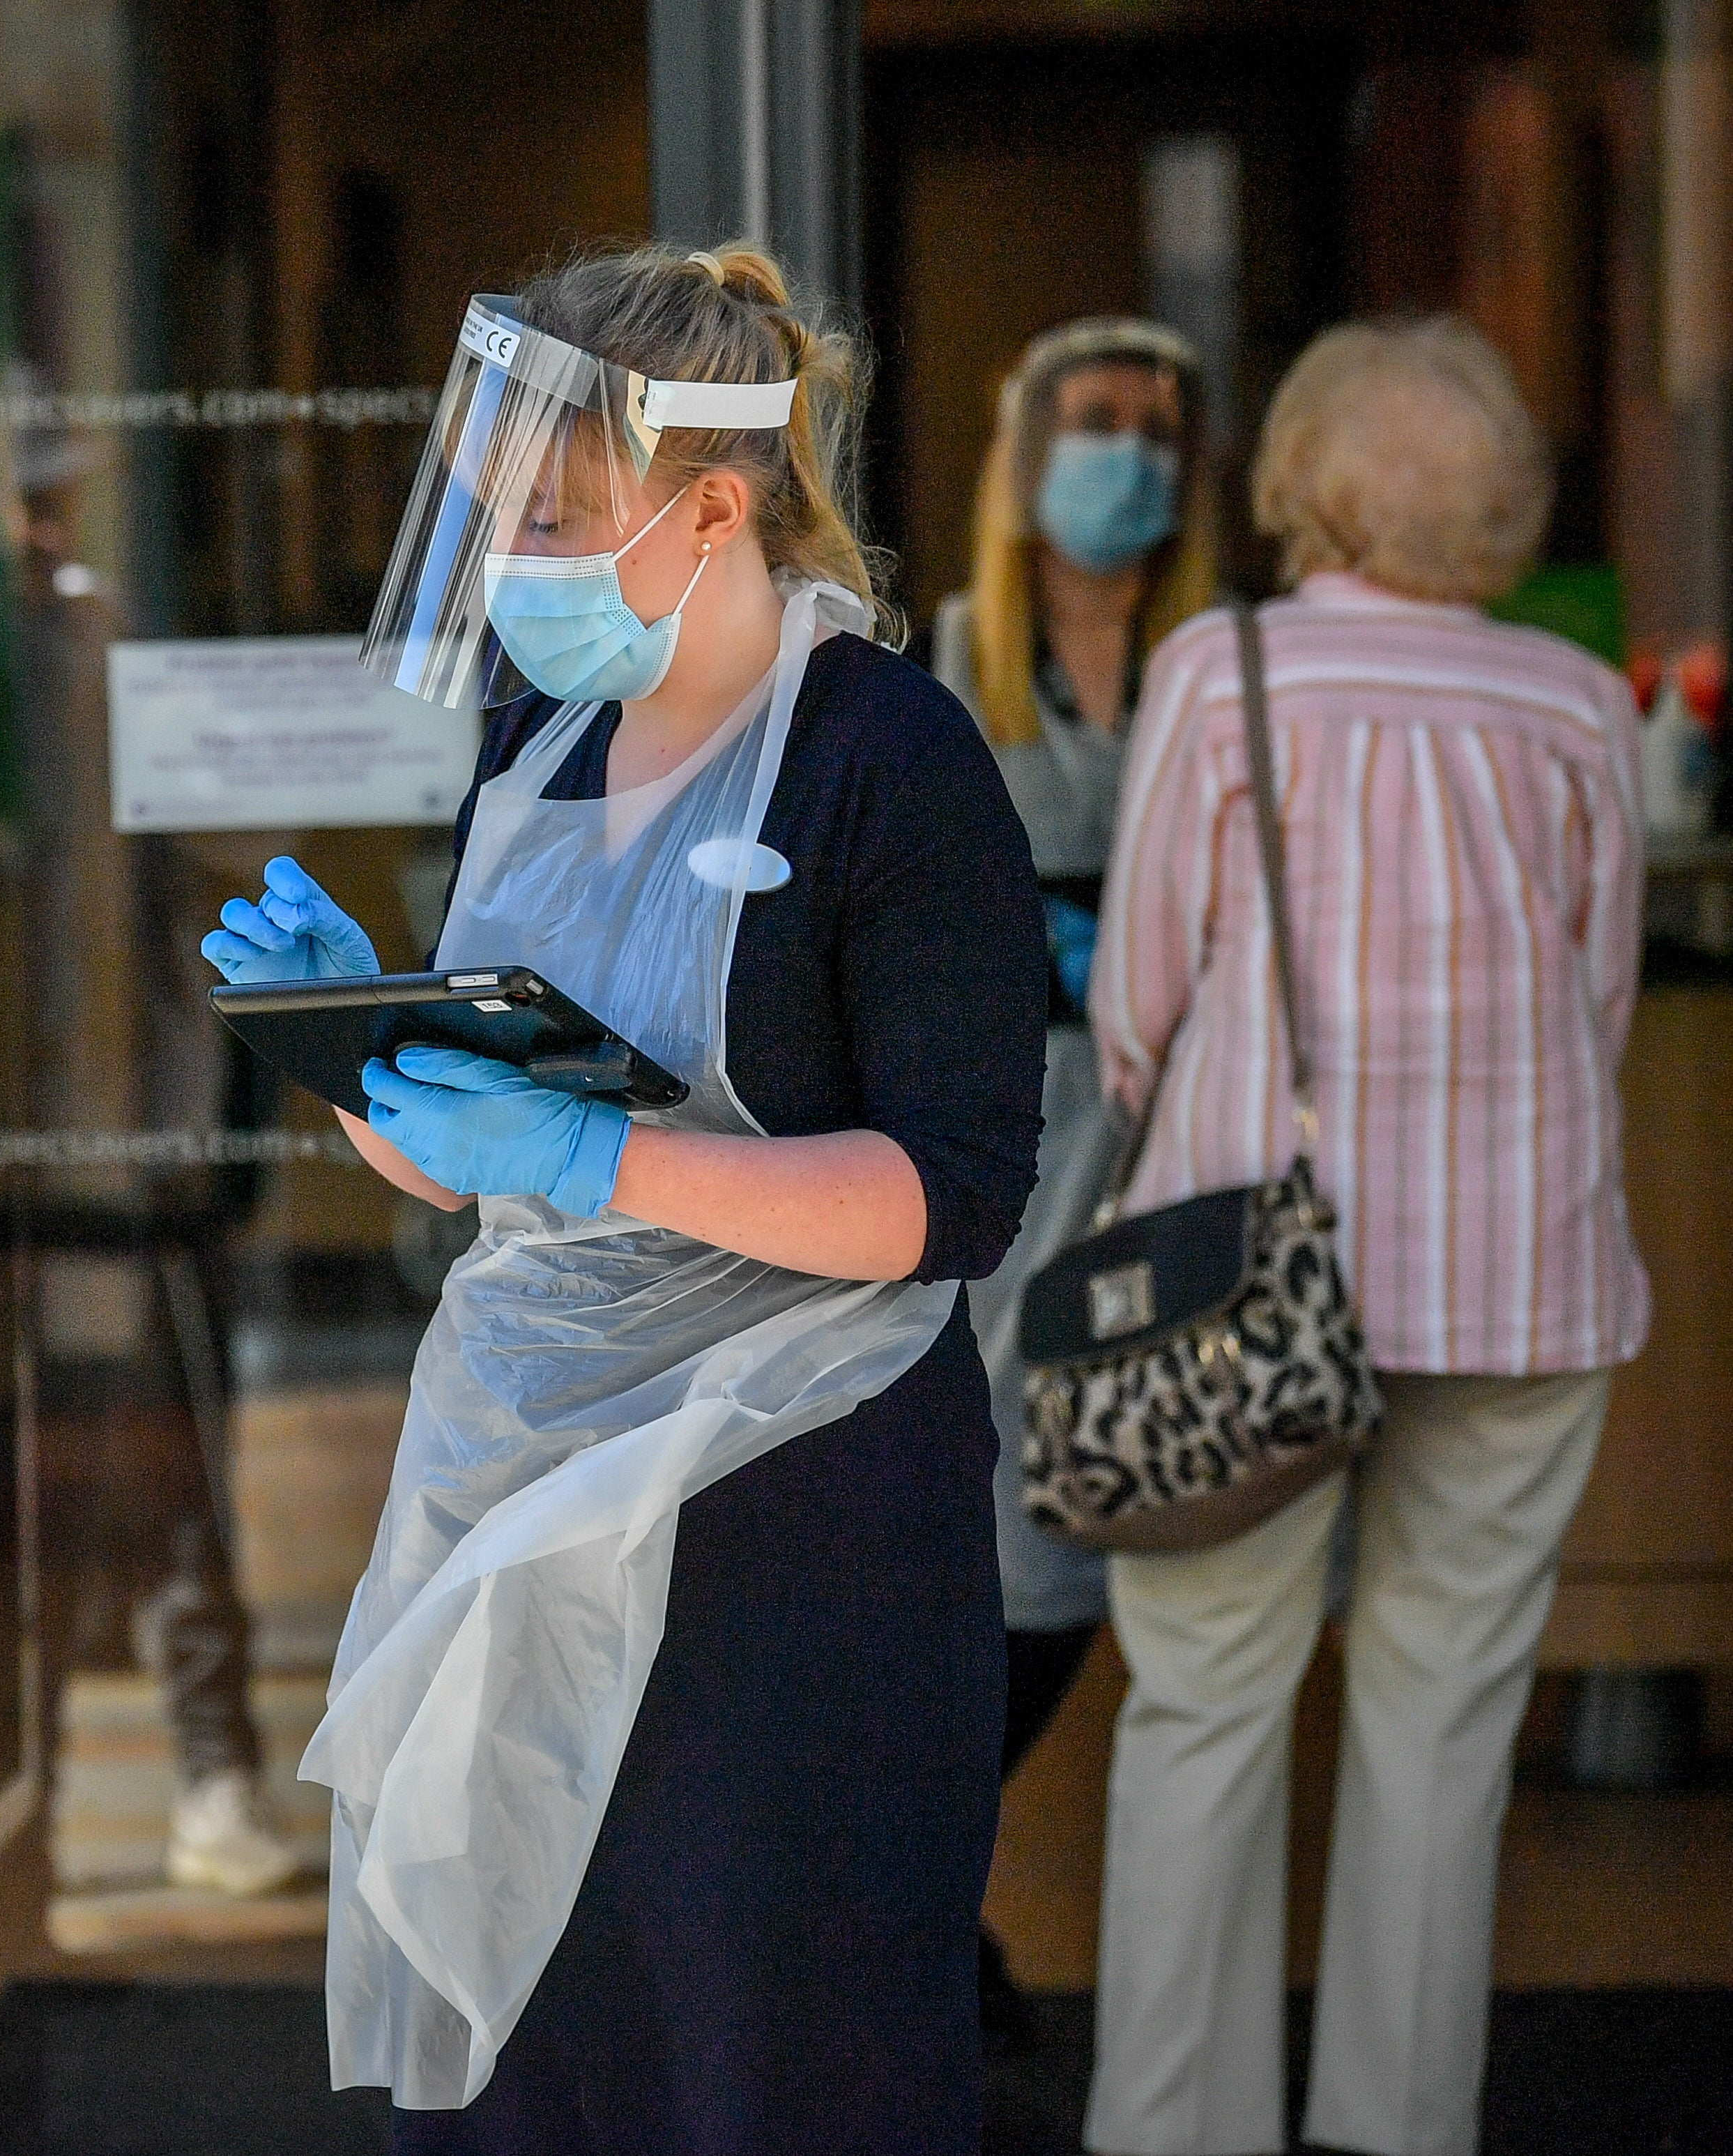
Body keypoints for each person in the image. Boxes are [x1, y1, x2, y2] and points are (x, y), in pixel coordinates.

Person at [206, 243, 1044, 2147]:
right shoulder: (542, 739)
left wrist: (601, 1153)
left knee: (762, 2046)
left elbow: (944, 1195)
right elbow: (466, 1153)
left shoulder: (887, 765)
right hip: (518, 1486)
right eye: (497, 524)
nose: (519, 569)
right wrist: (358, 1041)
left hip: (794, 1527)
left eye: (556, 521)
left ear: (711, 505)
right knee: (542, 2051)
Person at [1083, 317, 1646, 2156]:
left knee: (1200, 1710)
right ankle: (1396, 2132)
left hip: (1240, 1264)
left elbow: (1139, 996)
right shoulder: (1572, 703)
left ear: (1296, 483)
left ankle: (1175, 2136)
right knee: (1440, 1728)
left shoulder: (1213, 668)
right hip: (1519, 1268)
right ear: (1496, 507)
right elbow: (1598, 989)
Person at [928, 315, 1216, 2048]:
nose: (1131, 457)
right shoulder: (951, 657)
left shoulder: (1219, 667)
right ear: (1027, 449)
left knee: (1133, 1543)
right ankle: (918, 1899)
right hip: (1008, 1159)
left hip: (1182, 1146)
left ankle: (923, 1896)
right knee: (997, 1551)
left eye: (1161, 431)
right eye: (1098, 421)